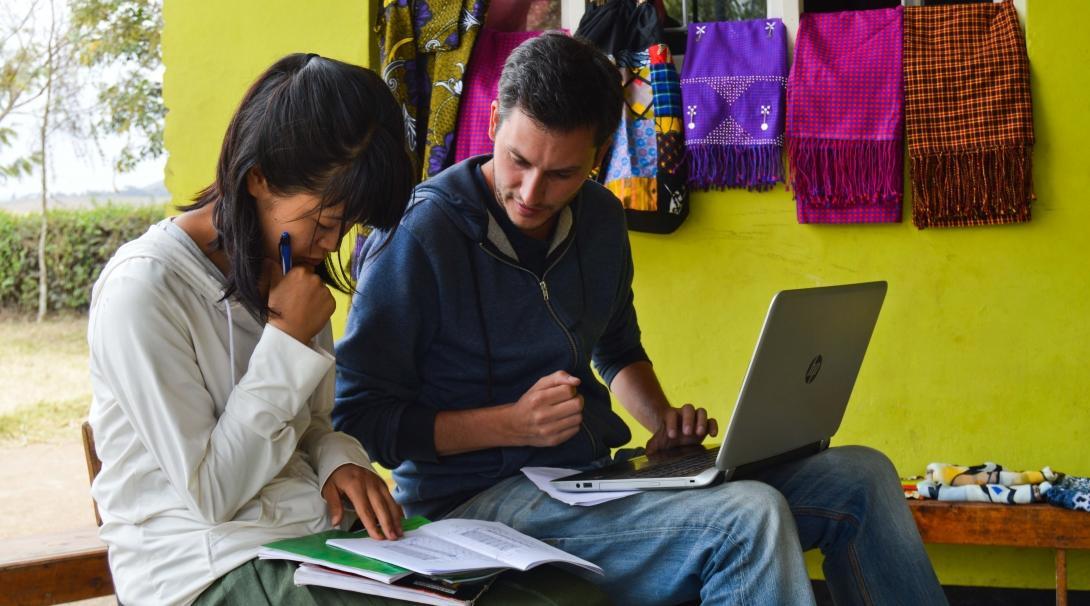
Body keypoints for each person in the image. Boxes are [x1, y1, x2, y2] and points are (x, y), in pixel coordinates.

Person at [334, 33, 947, 605]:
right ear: (493, 121)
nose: (530, 191)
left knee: (861, 476)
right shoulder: (418, 235)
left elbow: (617, 345)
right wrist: (511, 425)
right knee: (748, 517)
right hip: (472, 507)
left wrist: (663, 424)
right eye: (519, 160)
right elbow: (362, 418)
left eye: (563, 174)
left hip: (591, 479)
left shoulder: (600, 219)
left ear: (598, 158)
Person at [87, 53, 415, 605]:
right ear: (259, 177)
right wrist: (287, 341)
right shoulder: (143, 289)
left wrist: (338, 458)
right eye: (325, 221)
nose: (333, 244)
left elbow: (305, 426)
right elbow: (212, 493)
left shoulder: (290, 276)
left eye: (347, 226)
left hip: (304, 543)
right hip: (203, 567)